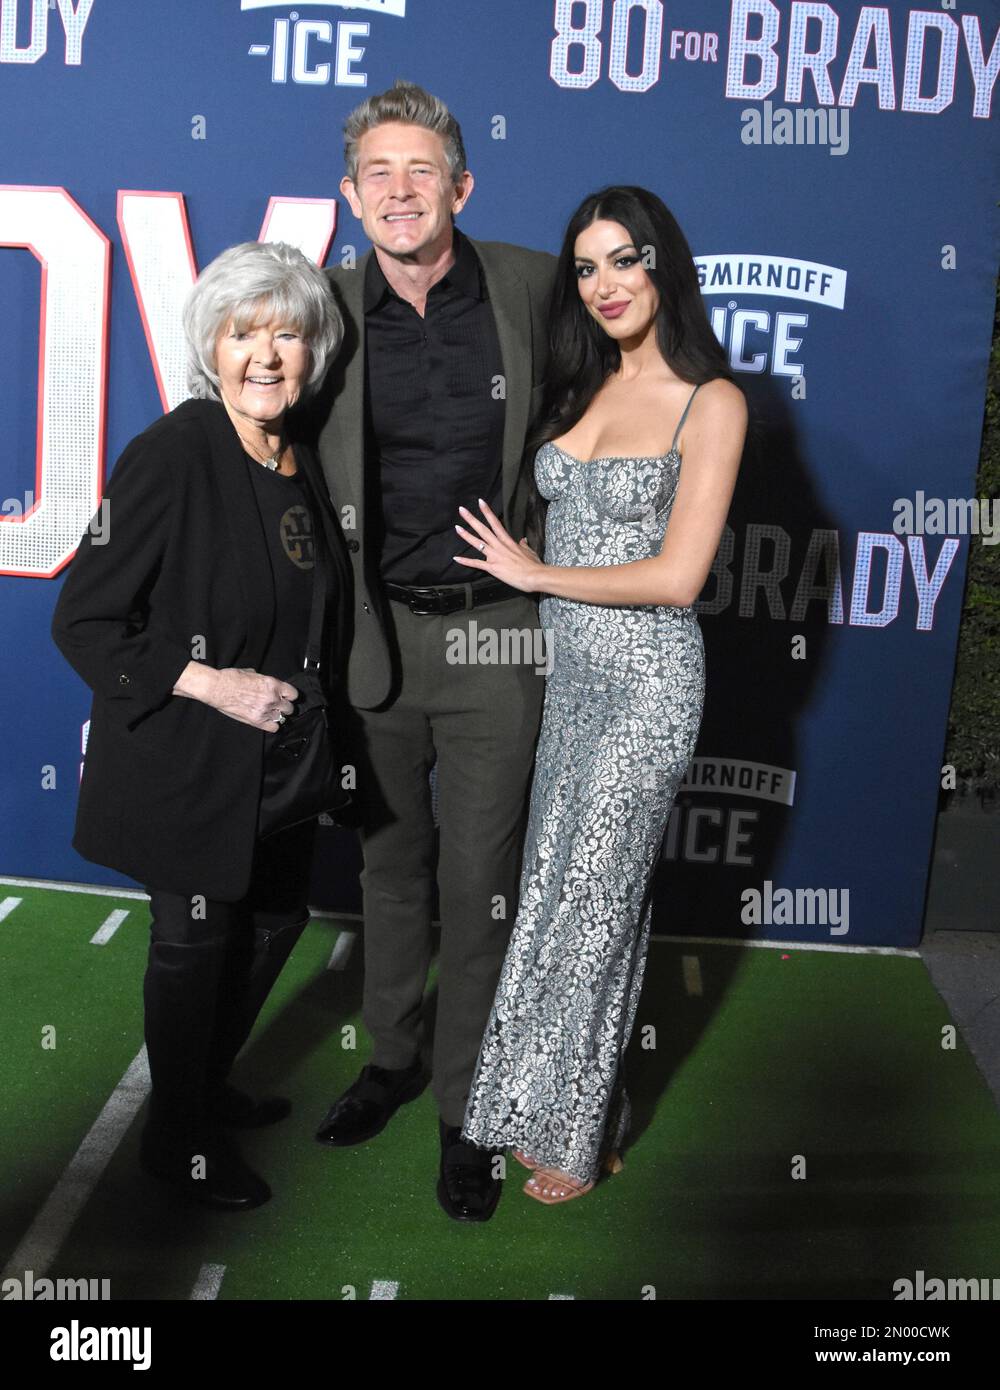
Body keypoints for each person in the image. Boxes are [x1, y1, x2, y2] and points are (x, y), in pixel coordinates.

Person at [456, 186, 748, 1202]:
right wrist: (532, 566)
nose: (605, 285)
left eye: (624, 260)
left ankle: (575, 1135)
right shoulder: (579, 388)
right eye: (585, 268)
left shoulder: (711, 401)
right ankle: (569, 1103)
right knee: (559, 894)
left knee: (594, 910)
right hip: (568, 680)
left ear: (664, 264)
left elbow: (676, 576)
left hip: (645, 688)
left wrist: (536, 575)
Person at [51, 241, 350, 1210]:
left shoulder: (297, 455)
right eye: (242, 333)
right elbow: (83, 618)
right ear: (210, 347)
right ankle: (173, 1142)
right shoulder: (177, 449)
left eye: (287, 332)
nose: (266, 354)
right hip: (187, 758)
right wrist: (210, 684)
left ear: (314, 348)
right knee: (194, 939)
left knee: (273, 917)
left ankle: (199, 1085)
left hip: (278, 767)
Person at [310, 81, 556, 1222]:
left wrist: (555, 563)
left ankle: (467, 1108)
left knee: (480, 883)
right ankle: (393, 1056)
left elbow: (623, 413)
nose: (399, 191)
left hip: (496, 633)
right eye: (378, 175)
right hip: (374, 636)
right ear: (351, 196)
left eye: (422, 172)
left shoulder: (531, 286)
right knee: (387, 870)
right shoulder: (322, 308)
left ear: (462, 184)